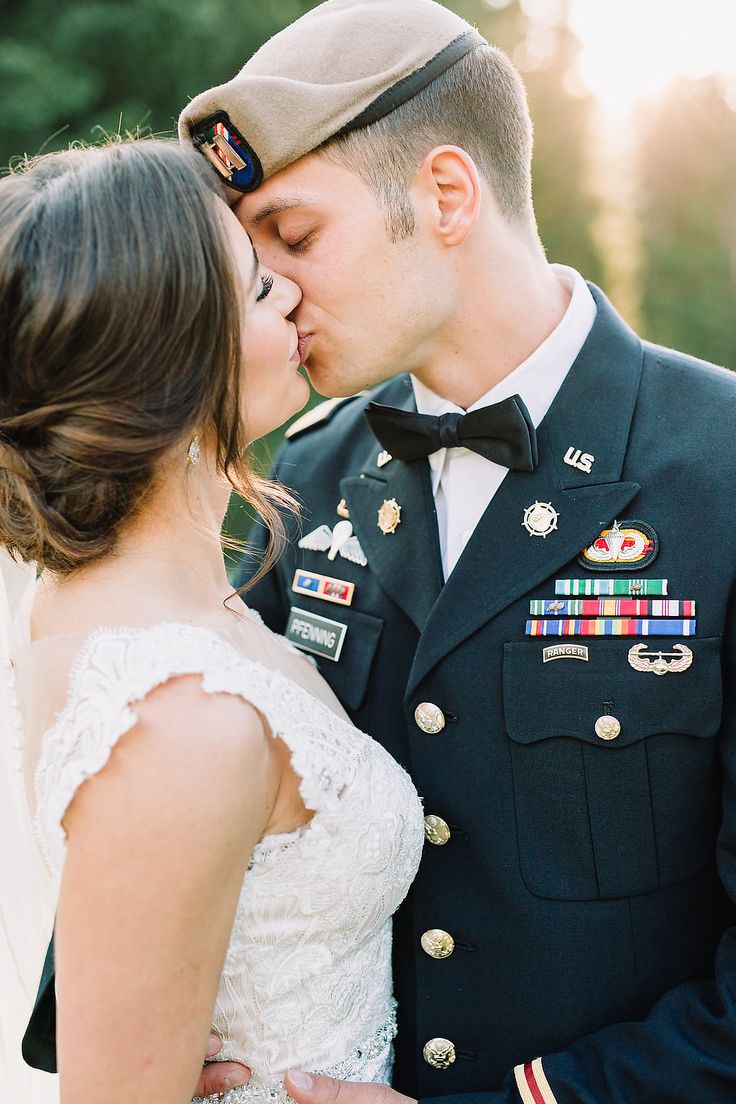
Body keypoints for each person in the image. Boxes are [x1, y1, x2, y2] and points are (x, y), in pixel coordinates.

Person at [156, 0, 736, 1101]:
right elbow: (184, 765)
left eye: (295, 235)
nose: (271, 290)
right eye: (253, 254)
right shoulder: (308, 474)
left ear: (446, 195)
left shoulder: (722, 471)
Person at [0, 137, 424, 1104]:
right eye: (259, 290)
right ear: (172, 367)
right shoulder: (176, 714)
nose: (296, 295)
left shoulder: (135, 606)